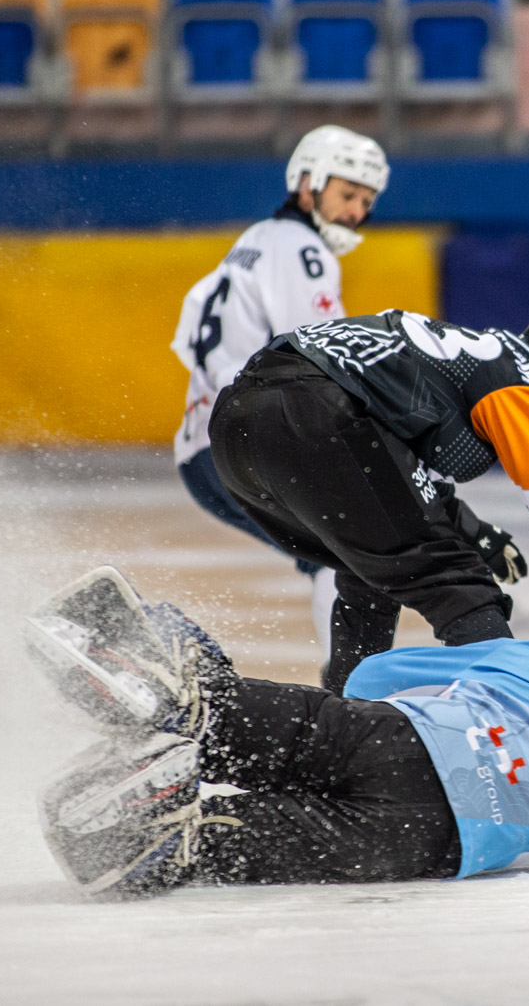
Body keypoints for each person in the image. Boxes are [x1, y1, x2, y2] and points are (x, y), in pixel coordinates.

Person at [22, 567, 529, 898]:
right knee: (229, 840)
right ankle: (163, 832)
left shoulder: (528, 653)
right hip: (438, 831)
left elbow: (369, 676)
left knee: (231, 713)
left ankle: (170, 692)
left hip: (398, 733)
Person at [206, 309, 529, 695]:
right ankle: (518, 722)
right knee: (458, 582)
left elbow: (395, 478)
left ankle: (342, 720)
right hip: (313, 411)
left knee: (369, 574)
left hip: (237, 432)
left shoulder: (472, 357)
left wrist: (479, 533)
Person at [169, 125, 393, 661]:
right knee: (349, 557)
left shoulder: (253, 242)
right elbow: (323, 359)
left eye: (366, 201)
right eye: (347, 194)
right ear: (308, 182)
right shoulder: (302, 249)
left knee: (336, 555)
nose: (356, 212)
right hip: (244, 447)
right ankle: (351, 698)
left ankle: (350, 693)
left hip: (202, 448)